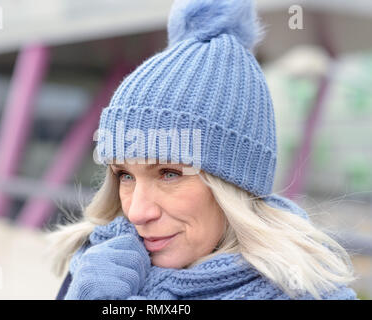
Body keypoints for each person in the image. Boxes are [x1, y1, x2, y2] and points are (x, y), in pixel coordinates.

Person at [46, 0, 358, 300]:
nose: (138, 212)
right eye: (125, 176)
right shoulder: (97, 267)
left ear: (235, 184)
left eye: (169, 173)